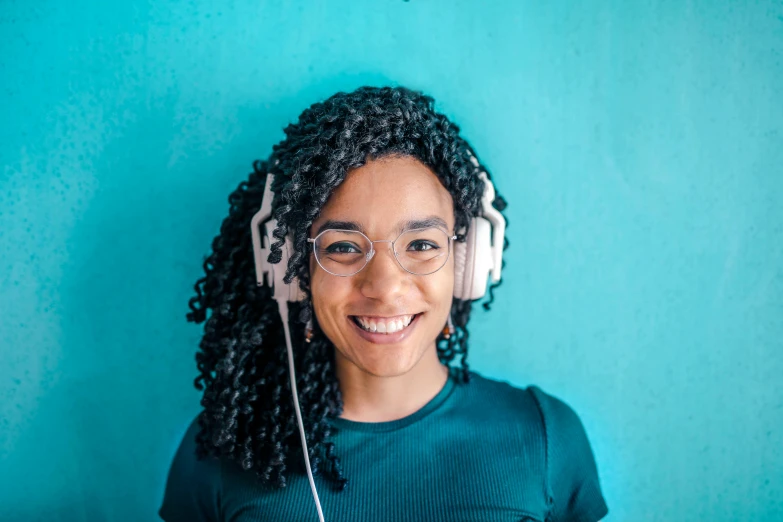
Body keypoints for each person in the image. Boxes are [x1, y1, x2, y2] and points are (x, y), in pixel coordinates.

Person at [158, 86, 609, 522]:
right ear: (291, 272)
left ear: (468, 262)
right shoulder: (224, 449)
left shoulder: (545, 436)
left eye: (422, 244)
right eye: (342, 248)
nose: (385, 287)